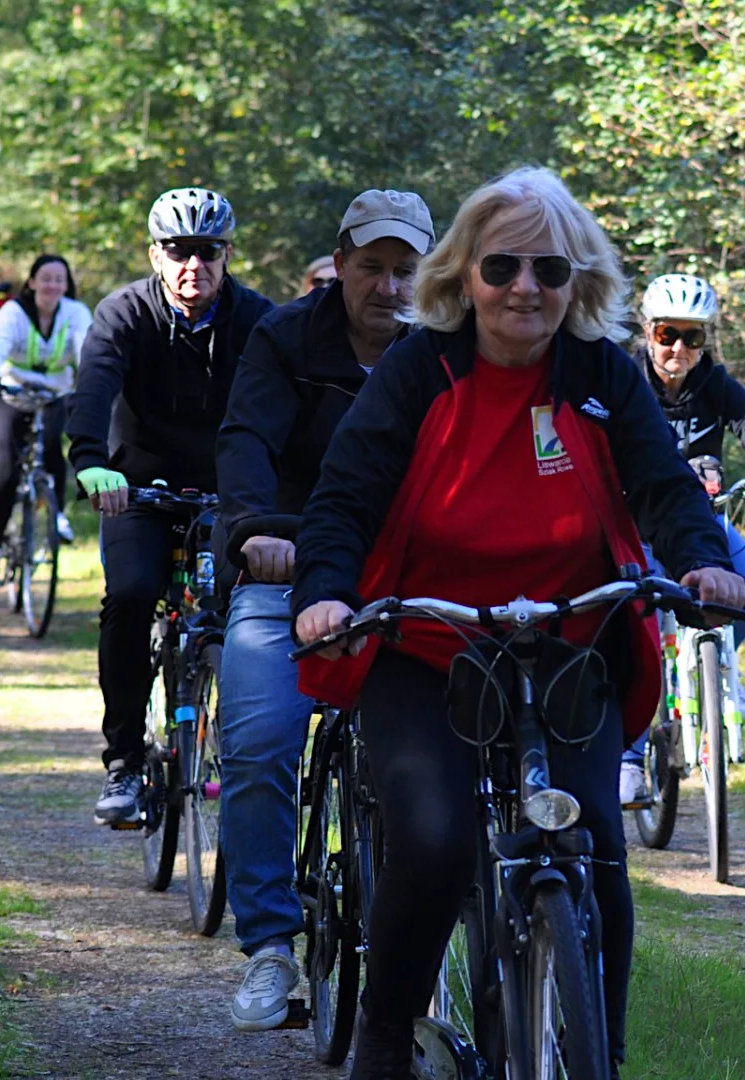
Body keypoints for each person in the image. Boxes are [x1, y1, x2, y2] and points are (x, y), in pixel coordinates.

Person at [289, 167, 745, 1079]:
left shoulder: (604, 374)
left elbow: (662, 487)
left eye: (549, 268)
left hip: (568, 645)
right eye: (502, 268)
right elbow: (345, 495)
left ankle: (598, 1056)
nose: (525, 289)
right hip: (426, 646)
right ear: (463, 278)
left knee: (597, 850)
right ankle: (384, 1032)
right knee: (435, 838)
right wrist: (324, 593)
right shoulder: (422, 369)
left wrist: (702, 561)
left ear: (578, 282)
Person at [211, 189, 432, 1032]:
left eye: (404, 269)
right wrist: (258, 534)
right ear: (339, 265)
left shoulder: (447, 346)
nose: (387, 286)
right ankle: (271, 944)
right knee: (260, 741)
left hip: (402, 575)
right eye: (370, 267)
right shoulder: (284, 338)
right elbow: (246, 445)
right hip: (288, 564)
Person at [67, 187, 275, 825]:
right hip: (138, 488)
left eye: (208, 252)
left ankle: (249, 762)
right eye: (180, 251)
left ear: (228, 255)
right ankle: (125, 763)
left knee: (249, 614)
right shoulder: (124, 312)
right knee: (130, 596)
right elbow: (97, 384)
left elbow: (280, 405)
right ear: (156, 255)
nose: (194, 266)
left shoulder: (258, 319)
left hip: (229, 491)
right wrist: (90, 460)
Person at [617, 273, 745, 805]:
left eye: (693, 337)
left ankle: (719, 668)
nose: (679, 348)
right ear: (648, 331)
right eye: (667, 334)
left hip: (702, 521)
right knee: (638, 630)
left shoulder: (714, 385)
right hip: (637, 526)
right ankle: (629, 758)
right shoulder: (625, 378)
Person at [0, 255, 94, 589]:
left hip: (54, 394)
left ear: (66, 285)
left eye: (59, 279)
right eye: (46, 278)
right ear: (32, 282)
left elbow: (88, 351)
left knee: (53, 447)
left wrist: (94, 381)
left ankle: (58, 516)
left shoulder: (75, 313)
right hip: (9, 394)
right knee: (8, 472)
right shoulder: (14, 312)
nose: (52, 285)